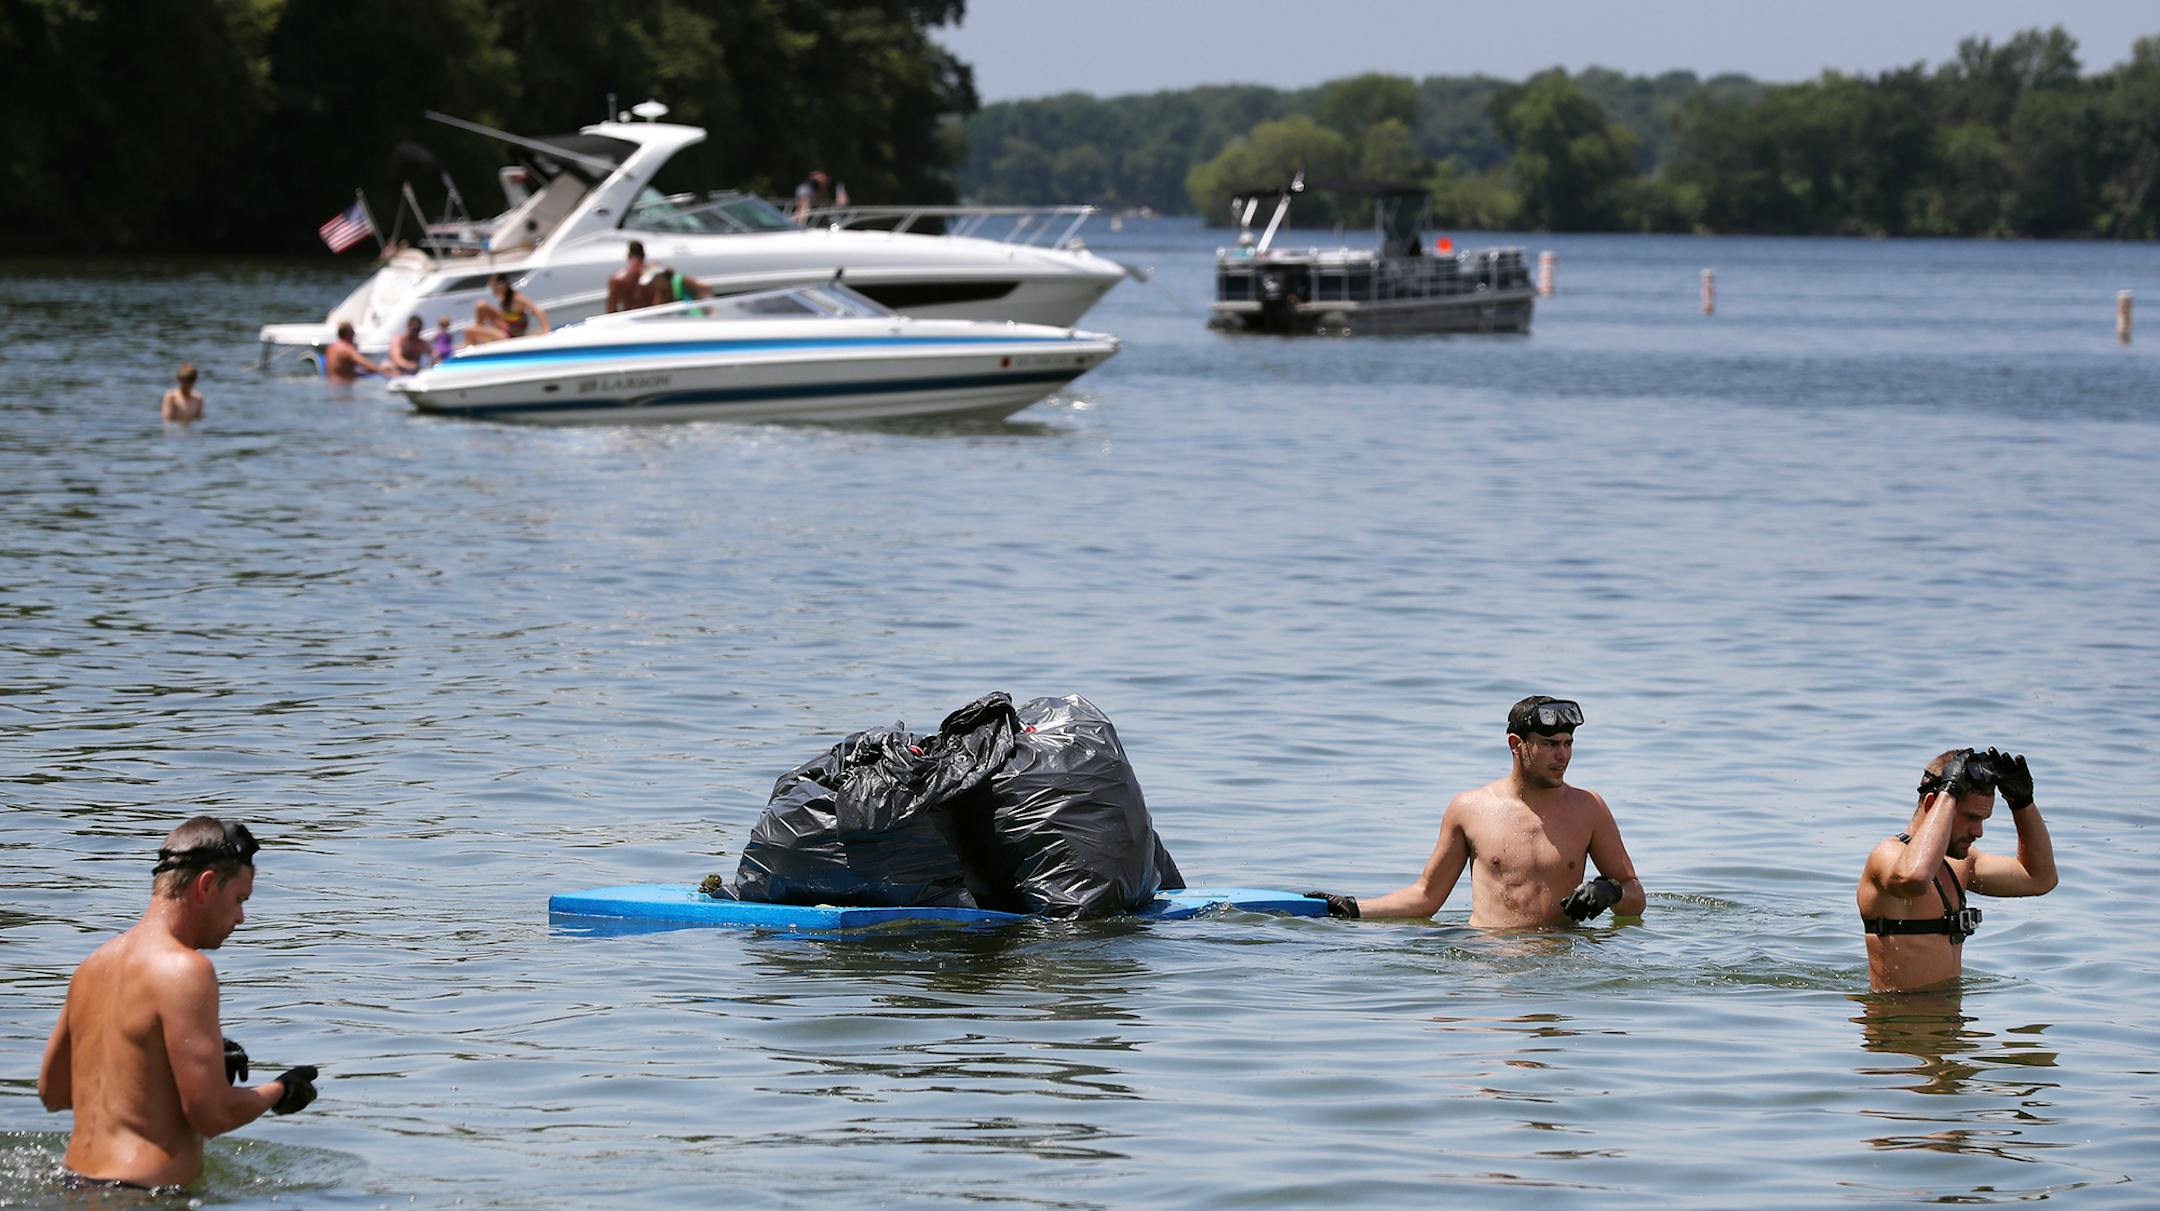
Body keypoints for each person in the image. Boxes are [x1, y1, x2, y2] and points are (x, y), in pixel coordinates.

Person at [38, 818, 319, 1191]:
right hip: (143, 1197)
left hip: (73, 1186)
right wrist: (282, 1089)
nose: (241, 917)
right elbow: (212, 1115)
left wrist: (166, 1068)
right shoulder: (186, 969)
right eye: (238, 899)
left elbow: (54, 1093)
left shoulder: (92, 965)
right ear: (205, 885)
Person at [1304, 696, 1646, 927]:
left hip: (1564, 959)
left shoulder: (1590, 809)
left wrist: (1611, 891)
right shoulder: (1470, 809)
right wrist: (1350, 908)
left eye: (1568, 743)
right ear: (1516, 744)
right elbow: (1426, 897)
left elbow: (1636, 899)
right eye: (1549, 744)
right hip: (1489, 960)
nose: (1563, 755)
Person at [1857, 747, 2057, 992]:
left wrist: (2023, 803)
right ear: (1934, 805)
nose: (1978, 832)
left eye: (1983, 820)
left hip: (1950, 1024)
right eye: (1970, 818)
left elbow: (2040, 879)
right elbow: (1916, 878)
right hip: (1897, 1024)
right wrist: (1948, 791)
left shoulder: (1960, 864)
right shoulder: (1888, 856)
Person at [469, 274, 548, 346]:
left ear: (503, 285)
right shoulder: (504, 298)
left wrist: (545, 331)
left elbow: (538, 311)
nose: (492, 289)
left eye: (493, 286)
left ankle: (475, 338)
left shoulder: (517, 298)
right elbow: (510, 315)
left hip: (512, 335)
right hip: (507, 327)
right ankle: (479, 332)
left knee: (469, 330)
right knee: (481, 305)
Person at [322, 322, 389, 382]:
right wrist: (383, 370)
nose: (354, 334)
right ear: (348, 334)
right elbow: (365, 363)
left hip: (331, 382)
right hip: (344, 385)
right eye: (353, 331)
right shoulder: (347, 349)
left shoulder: (331, 347)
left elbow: (340, 368)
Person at [606, 241, 649, 313]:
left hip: (630, 319)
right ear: (644, 255)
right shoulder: (654, 275)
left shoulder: (617, 278)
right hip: (652, 318)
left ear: (628, 255)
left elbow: (611, 309)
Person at [640, 264, 709, 308]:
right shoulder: (659, 296)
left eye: (653, 281)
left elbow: (705, 290)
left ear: (660, 277)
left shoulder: (681, 281)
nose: (652, 285)